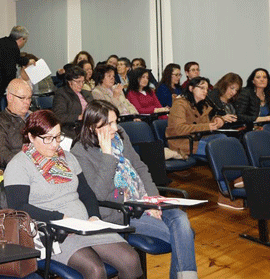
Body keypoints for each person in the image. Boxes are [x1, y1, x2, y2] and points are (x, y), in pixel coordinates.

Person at [4, 109, 142, 279]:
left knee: (130, 259)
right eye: (48, 138)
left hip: (84, 225)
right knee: (95, 269)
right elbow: (18, 207)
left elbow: (87, 193)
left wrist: (94, 216)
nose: (54, 144)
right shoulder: (18, 165)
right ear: (31, 137)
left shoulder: (68, 158)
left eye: (57, 137)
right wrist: (60, 218)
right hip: (52, 231)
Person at [72, 100, 198, 279]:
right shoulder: (80, 152)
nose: (115, 128)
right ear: (93, 127)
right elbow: (97, 194)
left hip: (143, 200)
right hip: (123, 211)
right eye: (109, 124)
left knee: (180, 218)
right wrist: (107, 155)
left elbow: (139, 167)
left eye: (116, 121)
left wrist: (153, 200)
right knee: (184, 236)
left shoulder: (120, 135)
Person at [166, 77, 224, 159]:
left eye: (207, 89)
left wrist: (218, 120)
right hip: (183, 142)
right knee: (217, 149)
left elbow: (204, 124)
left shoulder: (203, 105)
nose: (205, 91)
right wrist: (207, 126)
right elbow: (179, 129)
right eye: (202, 88)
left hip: (198, 139)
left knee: (223, 139)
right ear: (191, 88)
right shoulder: (179, 105)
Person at [0, 79, 31, 166]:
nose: (27, 102)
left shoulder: (35, 117)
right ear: (10, 97)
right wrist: (26, 163)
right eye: (22, 98)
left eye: (29, 98)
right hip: (17, 166)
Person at [52, 65, 93, 135]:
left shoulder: (86, 93)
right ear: (69, 81)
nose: (81, 84)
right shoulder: (62, 93)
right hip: (72, 130)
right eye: (78, 81)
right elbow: (59, 116)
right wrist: (79, 117)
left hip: (88, 127)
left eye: (83, 81)